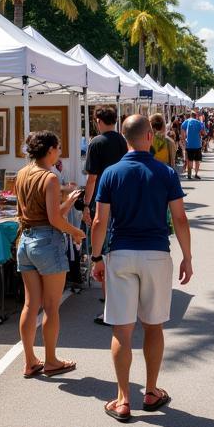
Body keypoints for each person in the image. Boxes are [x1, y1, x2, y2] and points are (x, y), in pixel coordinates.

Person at [90, 114, 193, 422]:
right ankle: (150, 390)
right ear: (150, 136)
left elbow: (99, 221)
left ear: (125, 140)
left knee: (122, 328)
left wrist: (96, 258)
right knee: (153, 325)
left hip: (121, 252)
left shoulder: (111, 173)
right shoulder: (165, 172)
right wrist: (187, 256)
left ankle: (123, 398)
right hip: (156, 253)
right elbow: (180, 218)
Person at [15, 131, 85, 379]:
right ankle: (51, 360)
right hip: (47, 243)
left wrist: (67, 204)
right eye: (58, 148)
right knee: (51, 307)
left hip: (26, 240)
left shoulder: (22, 174)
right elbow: (55, 219)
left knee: (29, 304)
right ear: (50, 150)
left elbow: (46, 214)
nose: (59, 153)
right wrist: (77, 232)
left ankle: (30, 360)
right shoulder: (50, 178)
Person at [81, 106, 128, 326]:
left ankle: (110, 308)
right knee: (115, 252)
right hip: (122, 200)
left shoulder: (96, 143)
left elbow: (92, 178)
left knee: (103, 253)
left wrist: (86, 204)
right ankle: (115, 299)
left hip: (104, 201)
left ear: (98, 120)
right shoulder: (121, 140)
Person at [181, 111, 205, 180]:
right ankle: (196, 174)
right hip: (197, 144)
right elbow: (203, 133)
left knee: (190, 160)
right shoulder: (198, 122)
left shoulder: (186, 122)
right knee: (197, 160)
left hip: (189, 144)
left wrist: (184, 140)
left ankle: (189, 174)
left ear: (190, 115)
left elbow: (182, 132)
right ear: (196, 116)